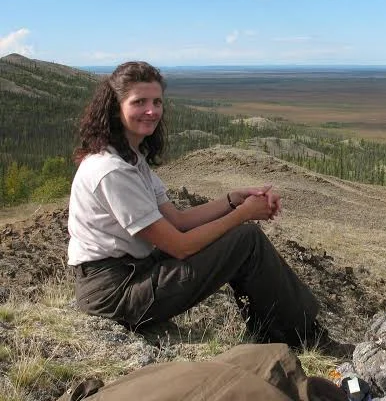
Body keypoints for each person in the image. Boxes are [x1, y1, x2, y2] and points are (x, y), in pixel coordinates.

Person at [67, 61, 328, 350]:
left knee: (242, 240)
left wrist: (233, 200)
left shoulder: (130, 159)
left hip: (131, 274)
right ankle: (303, 339)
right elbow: (180, 246)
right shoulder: (112, 170)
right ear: (116, 107)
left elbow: (178, 221)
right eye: (139, 102)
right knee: (245, 239)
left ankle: (281, 333)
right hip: (115, 293)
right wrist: (243, 215)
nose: (152, 111)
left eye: (157, 102)